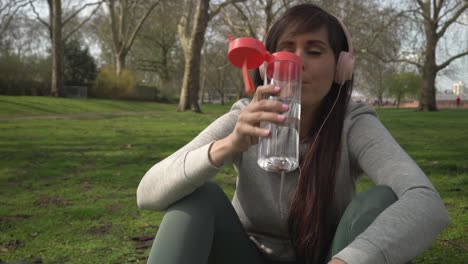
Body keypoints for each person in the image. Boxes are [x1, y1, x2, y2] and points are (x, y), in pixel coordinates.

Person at [137, 4, 449, 264]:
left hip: (330, 256)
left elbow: (425, 201)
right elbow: (147, 193)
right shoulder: (244, 116)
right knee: (199, 198)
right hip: (246, 255)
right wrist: (228, 145)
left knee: (380, 200)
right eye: (285, 51)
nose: (296, 63)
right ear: (264, 67)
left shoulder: (352, 123)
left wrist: (350, 260)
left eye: (314, 51)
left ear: (342, 67)